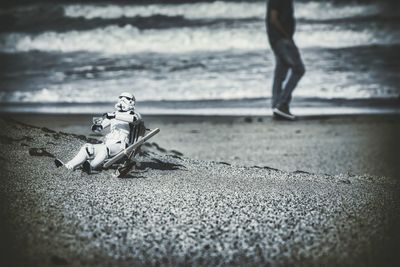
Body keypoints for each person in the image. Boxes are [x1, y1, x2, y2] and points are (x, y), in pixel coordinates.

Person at [54, 92, 142, 174]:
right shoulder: (113, 114)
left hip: (121, 145)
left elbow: (134, 119)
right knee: (87, 148)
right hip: (108, 143)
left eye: (124, 99)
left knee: (104, 150)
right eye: (120, 99)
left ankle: (91, 166)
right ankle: (68, 166)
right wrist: (97, 127)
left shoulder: (134, 114)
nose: (121, 101)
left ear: (131, 102)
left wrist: (114, 116)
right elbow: (101, 126)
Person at [266, 0, 305, 120]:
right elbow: (273, 19)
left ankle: (277, 108)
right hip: (282, 40)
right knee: (299, 69)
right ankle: (281, 104)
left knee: (280, 72)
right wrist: (286, 35)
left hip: (278, 40)